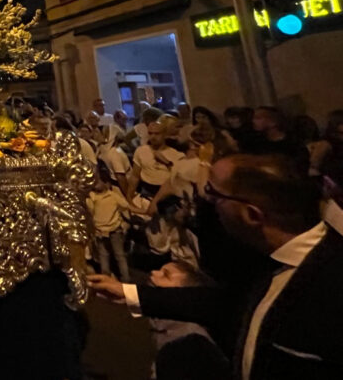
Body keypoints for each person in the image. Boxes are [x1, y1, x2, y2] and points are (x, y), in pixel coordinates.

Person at [90, 154, 343, 380]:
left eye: (213, 193)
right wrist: (128, 293)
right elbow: (228, 304)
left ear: (252, 215)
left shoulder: (331, 280)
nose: (204, 200)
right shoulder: (260, 257)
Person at [147, 261, 230, 380]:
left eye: (166, 275)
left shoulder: (192, 344)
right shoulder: (164, 325)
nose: (153, 273)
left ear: (184, 294)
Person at [86, 172, 138, 281]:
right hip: (100, 231)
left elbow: (126, 206)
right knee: (103, 256)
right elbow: (89, 212)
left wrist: (143, 211)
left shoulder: (113, 196)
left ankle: (126, 279)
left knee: (119, 255)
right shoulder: (92, 197)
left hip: (114, 230)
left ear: (107, 184)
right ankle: (106, 278)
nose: (96, 183)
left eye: (99, 181)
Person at [130, 122, 184, 201]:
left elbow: (181, 179)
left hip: (168, 196)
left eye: (157, 134)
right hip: (146, 193)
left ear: (164, 134)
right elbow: (135, 177)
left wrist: (167, 162)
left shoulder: (177, 155)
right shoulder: (141, 151)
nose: (153, 137)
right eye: (150, 133)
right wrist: (129, 197)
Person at [245, 106, 309, 171]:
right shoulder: (257, 143)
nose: (253, 121)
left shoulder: (293, 142)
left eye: (258, 118)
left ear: (273, 122)